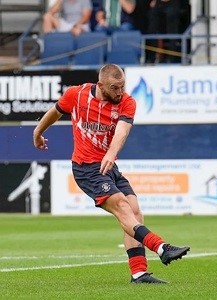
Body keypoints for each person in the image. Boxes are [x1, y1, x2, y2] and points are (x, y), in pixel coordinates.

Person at [32, 64, 190, 284]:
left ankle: (139, 273)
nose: (120, 92)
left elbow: (122, 130)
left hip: (109, 167)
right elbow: (55, 111)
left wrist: (111, 153)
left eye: (122, 86)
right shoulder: (76, 95)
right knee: (123, 208)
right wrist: (38, 132)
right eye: (115, 88)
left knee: (134, 211)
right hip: (86, 168)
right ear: (100, 85)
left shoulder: (127, 102)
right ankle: (162, 247)